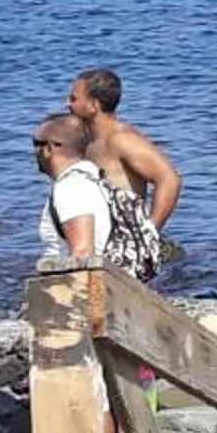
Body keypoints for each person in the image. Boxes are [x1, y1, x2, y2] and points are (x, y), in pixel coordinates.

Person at [67, 67, 175, 281]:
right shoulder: (90, 143)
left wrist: (150, 231)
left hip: (126, 249)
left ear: (94, 105)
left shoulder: (121, 139)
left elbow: (169, 180)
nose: (67, 104)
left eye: (73, 98)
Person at [32, 115, 111, 262]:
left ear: (49, 148)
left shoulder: (71, 187)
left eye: (36, 144)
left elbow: (83, 254)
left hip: (80, 282)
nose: (33, 151)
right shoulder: (94, 177)